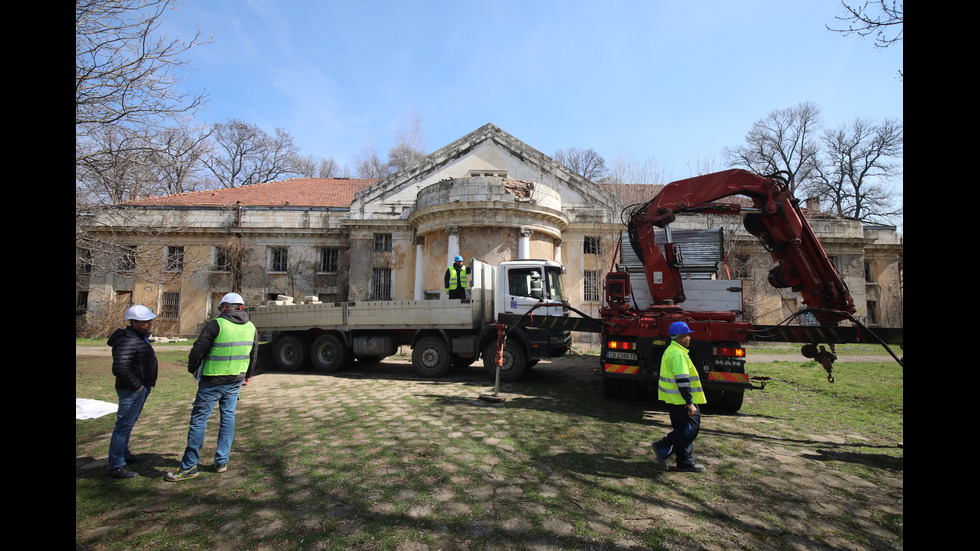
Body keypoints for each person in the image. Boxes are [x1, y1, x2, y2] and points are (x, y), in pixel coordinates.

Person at [165, 293, 257, 482]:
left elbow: (198, 349)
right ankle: (222, 461)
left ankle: (190, 466)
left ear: (224, 307)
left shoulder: (216, 325)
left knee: (199, 421)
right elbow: (254, 353)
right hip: (235, 381)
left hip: (212, 381)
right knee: (228, 418)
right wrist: (247, 375)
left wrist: (192, 369)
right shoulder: (251, 327)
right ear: (240, 307)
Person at [106, 305, 159, 479]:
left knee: (128, 423)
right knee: (123, 426)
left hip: (140, 387)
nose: (150, 323)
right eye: (146, 321)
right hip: (132, 389)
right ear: (134, 322)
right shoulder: (127, 339)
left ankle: (124, 454)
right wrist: (137, 386)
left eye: (150, 320)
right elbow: (120, 367)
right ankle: (116, 465)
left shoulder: (138, 336)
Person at [652, 321, 707, 473]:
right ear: (682, 338)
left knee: (683, 430)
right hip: (681, 401)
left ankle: (685, 462)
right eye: (688, 335)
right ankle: (662, 447)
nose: (690, 338)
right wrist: (689, 402)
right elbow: (682, 380)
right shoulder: (678, 354)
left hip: (675, 400)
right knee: (689, 431)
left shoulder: (672, 351)